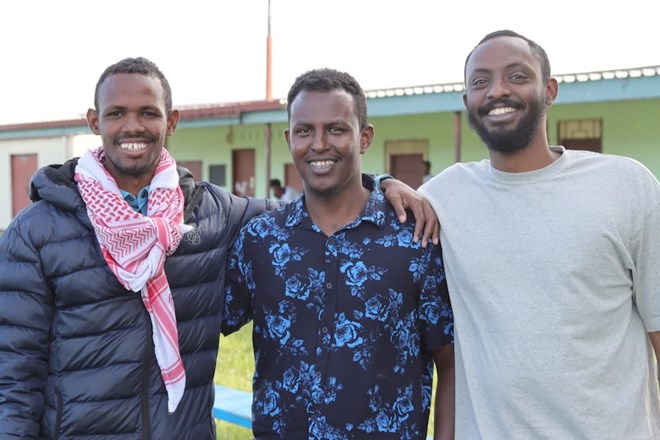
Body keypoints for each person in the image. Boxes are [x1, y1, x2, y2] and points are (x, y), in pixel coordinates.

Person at [0, 58, 439, 439]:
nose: (133, 126)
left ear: (170, 123)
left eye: (148, 113)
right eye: (117, 113)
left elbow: (319, 205)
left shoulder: (211, 213)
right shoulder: (37, 232)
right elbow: (13, 376)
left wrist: (380, 184)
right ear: (95, 122)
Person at [419, 29, 660, 439]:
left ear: (549, 90)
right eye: (480, 82)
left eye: (517, 76)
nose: (497, 91)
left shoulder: (627, 186)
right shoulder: (445, 195)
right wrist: (385, 181)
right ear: (467, 103)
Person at [222, 68, 455, 440]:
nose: (319, 144)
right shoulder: (260, 239)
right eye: (304, 130)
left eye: (336, 129)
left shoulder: (416, 239)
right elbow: (201, 323)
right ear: (289, 138)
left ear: (364, 138)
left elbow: (450, 362)